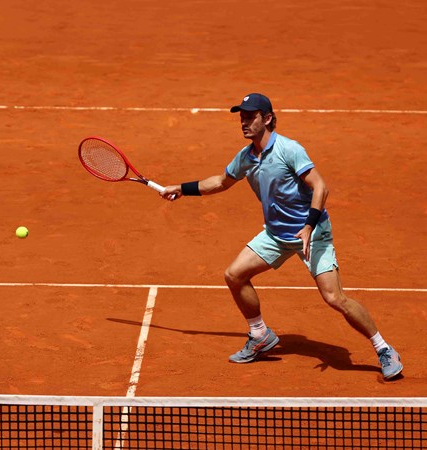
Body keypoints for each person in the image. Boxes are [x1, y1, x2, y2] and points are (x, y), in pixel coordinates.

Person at [160, 93, 403, 380]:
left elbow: (320, 187)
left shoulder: (289, 150)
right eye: (242, 117)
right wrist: (180, 187)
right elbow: (220, 182)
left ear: (268, 118)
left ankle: (384, 348)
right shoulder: (246, 157)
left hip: (312, 235)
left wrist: (309, 225)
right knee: (234, 275)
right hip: (276, 235)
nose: (244, 122)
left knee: (335, 298)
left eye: (250, 116)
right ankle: (260, 334)